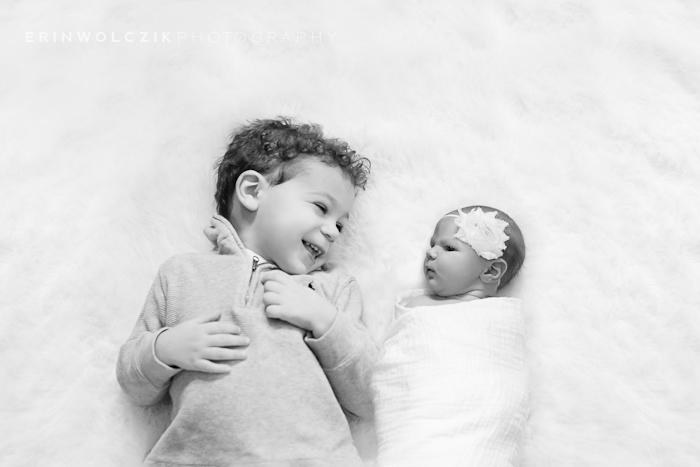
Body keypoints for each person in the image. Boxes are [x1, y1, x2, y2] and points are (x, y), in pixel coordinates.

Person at [117, 117, 377, 467]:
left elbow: (367, 397)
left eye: (341, 223)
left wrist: (324, 320)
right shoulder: (182, 274)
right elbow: (135, 385)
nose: (333, 231)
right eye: (321, 208)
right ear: (253, 191)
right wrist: (166, 349)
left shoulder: (331, 288)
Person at [372, 206, 529, 467]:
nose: (430, 252)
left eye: (449, 248)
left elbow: (498, 392)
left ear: (490, 272)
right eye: (433, 244)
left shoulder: (498, 322)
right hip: (418, 436)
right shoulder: (416, 307)